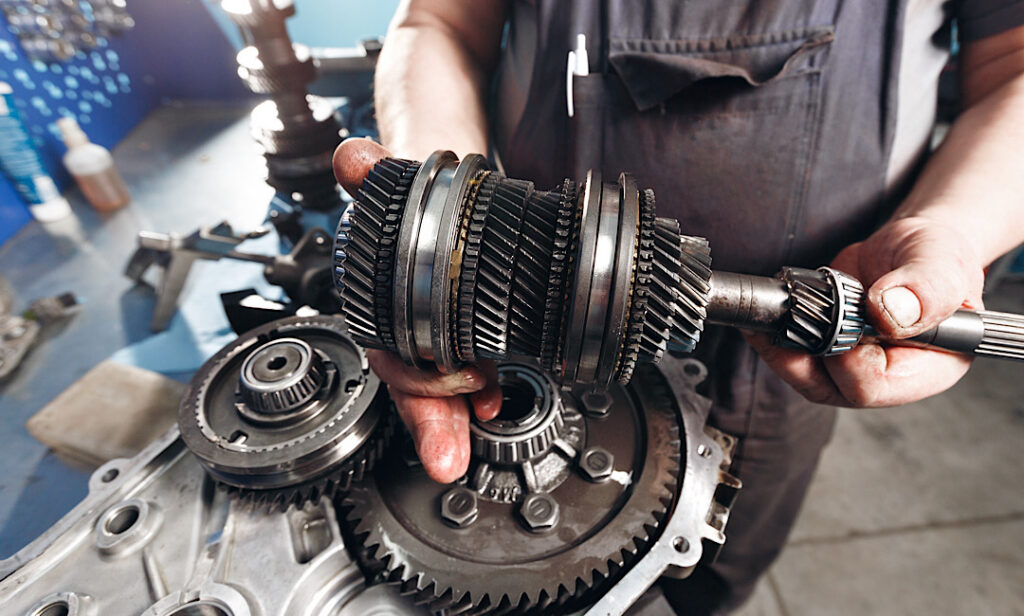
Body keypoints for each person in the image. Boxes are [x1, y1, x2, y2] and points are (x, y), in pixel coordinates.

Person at [333, 1, 1024, 612]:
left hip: (783, 364)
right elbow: (441, 22)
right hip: (520, 323)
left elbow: (1013, 62)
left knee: (709, 574)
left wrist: (951, 231)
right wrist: (445, 244)